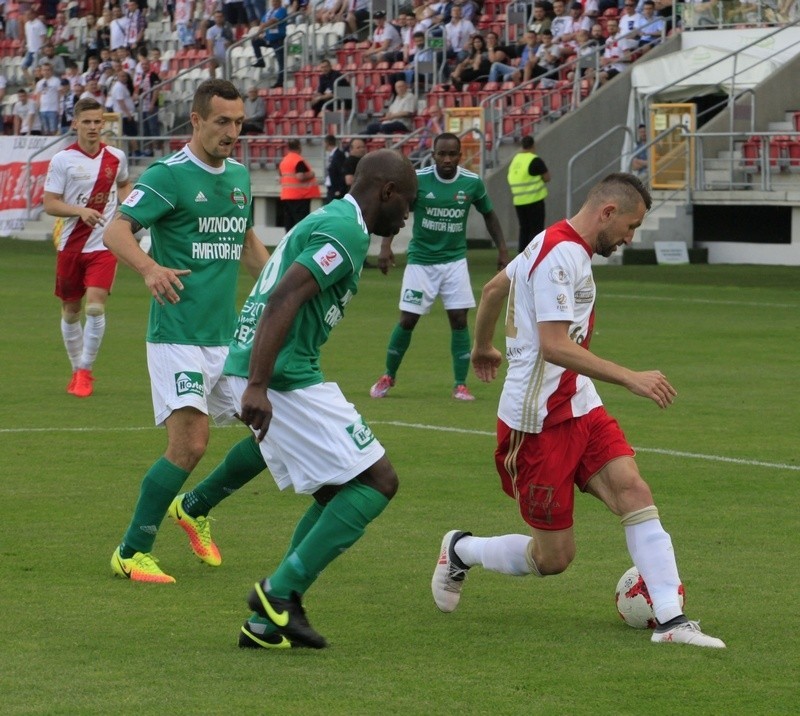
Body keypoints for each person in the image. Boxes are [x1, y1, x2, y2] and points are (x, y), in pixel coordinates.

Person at [431, 172, 726, 650]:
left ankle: (673, 621)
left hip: (579, 402)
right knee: (554, 558)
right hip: (536, 420)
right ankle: (461, 550)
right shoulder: (560, 255)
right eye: (630, 227)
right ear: (607, 212)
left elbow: (490, 291)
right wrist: (631, 377)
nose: (630, 238)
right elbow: (553, 346)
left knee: (634, 489)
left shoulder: (550, 240)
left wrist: (483, 346)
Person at [195, 149, 416, 649]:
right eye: (408, 201)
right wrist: (256, 383)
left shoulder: (338, 220)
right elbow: (284, 297)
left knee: (338, 491)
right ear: (386, 191)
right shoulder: (347, 229)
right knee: (378, 481)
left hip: (281, 371)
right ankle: (280, 593)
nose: (408, 214)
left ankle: (268, 623)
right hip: (280, 376)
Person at [104, 79, 270, 584]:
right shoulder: (169, 176)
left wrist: (280, 293)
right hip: (177, 334)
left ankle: (195, 506)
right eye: (222, 121)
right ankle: (131, 551)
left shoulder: (239, 177)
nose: (232, 132)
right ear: (195, 120)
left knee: (274, 429)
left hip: (228, 336)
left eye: (239, 123)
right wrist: (150, 269)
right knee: (190, 444)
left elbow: (245, 244)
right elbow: (116, 230)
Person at [370, 133, 509, 402]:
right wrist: (385, 246)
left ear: (460, 155)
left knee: (459, 320)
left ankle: (460, 385)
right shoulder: (418, 180)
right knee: (408, 320)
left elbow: (489, 214)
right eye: (441, 154)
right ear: (433, 154)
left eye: (452, 154)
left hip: (454, 262)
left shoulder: (471, 183)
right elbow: (398, 209)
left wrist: (502, 250)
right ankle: (388, 375)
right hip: (421, 262)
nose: (447, 159)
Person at [43, 98, 132, 398]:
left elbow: (124, 185)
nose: (93, 127)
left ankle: (86, 371)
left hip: (102, 246)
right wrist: (79, 211)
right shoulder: (62, 160)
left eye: (98, 122)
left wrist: (126, 211)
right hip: (70, 245)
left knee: (95, 307)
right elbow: (50, 203)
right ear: (75, 124)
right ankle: (75, 368)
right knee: (70, 311)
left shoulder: (116, 156)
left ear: (103, 124)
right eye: (88, 122)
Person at [507, 135, 550, 254]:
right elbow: (547, 177)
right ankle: (535, 255)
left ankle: (521, 256)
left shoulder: (515, 160)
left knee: (524, 229)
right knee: (536, 231)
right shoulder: (535, 159)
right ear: (533, 145)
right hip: (534, 200)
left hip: (519, 201)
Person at [279, 138, 321, 232]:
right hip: (300, 196)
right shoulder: (298, 160)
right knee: (301, 224)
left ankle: (288, 244)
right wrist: (312, 174)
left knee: (289, 224)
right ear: (299, 146)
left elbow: (281, 177)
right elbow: (300, 177)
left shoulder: (284, 161)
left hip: (286, 196)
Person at [252, 0, 287, 88]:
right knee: (255, 41)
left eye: (276, 1)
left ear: (280, 2)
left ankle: (280, 82)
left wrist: (263, 26)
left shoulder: (282, 10)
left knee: (280, 61)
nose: (274, 3)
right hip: (269, 38)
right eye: (273, 1)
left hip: (278, 39)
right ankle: (260, 61)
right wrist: (258, 33)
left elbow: (273, 21)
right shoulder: (269, 11)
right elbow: (262, 22)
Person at [323, 134, 347, 203]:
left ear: (327, 143)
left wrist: (339, 189)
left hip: (336, 190)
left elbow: (341, 172)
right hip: (331, 188)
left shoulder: (339, 155)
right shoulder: (332, 155)